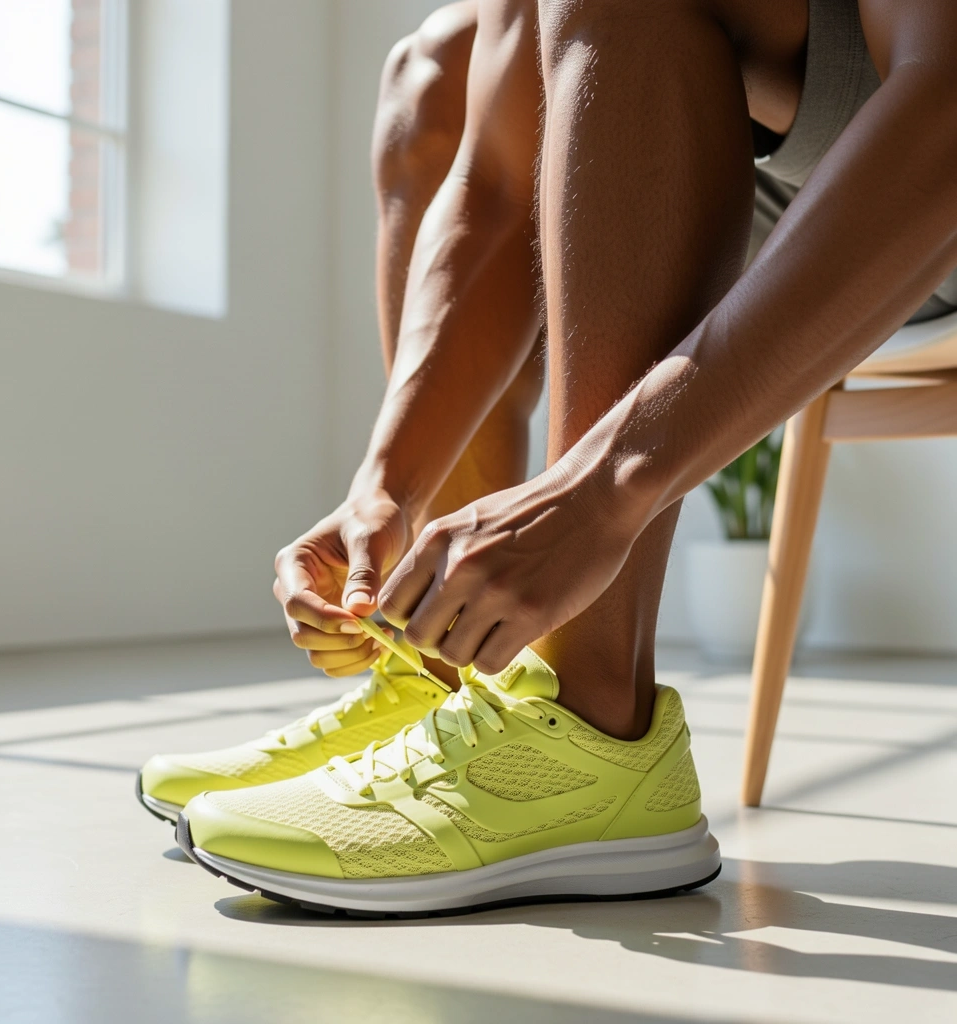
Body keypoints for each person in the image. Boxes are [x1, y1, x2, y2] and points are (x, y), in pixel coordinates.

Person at [140, 0, 957, 915]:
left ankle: (584, 714)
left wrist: (602, 487)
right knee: (444, 62)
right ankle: (459, 670)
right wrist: (386, 488)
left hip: (920, 166)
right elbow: (496, 184)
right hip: (799, 175)